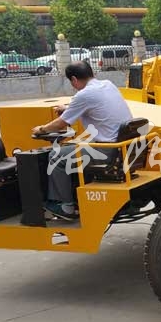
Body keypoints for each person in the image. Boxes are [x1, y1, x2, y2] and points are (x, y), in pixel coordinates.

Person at [32, 61, 133, 220]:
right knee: (76, 148)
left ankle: (66, 207)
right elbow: (94, 105)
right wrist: (68, 109)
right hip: (124, 148)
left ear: (74, 79)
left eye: (71, 82)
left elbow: (60, 124)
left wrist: (41, 129)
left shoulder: (84, 94)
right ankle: (77, 198)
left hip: (107, 151)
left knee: (56, 156)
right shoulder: (108, 84)